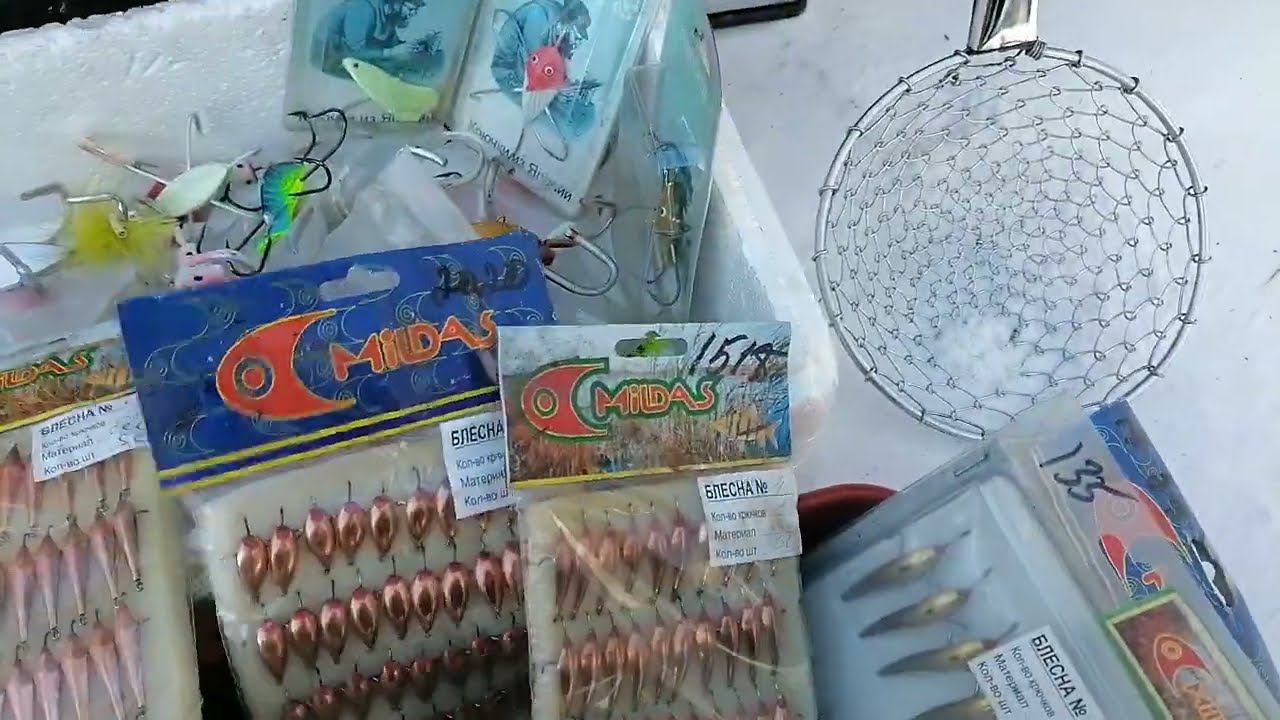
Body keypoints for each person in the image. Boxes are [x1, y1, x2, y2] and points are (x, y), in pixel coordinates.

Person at [311, 0, 428, 78]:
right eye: (411, 9)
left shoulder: (388, 17)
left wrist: (414, 47)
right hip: (329, 60)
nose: (413, 14)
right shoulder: (364, 8)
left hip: (351, 62)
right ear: (396, 2)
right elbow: (356, 51)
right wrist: (393, 52)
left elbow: (391, 43)